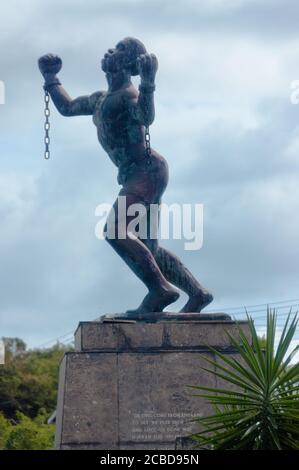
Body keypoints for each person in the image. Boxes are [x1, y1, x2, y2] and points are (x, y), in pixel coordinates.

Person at [38, 37, 213, 314]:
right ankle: (197, 293)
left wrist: (148, 82)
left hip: (147, 171)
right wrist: (51, 78)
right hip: (138, 173)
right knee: (147, 248)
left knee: (115, 230)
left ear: (127, 62)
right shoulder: (100, 99)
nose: (110, 50)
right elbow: (68, 108)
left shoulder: (130, 95)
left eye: (119, 49)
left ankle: (160, 290)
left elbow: (146, 116)